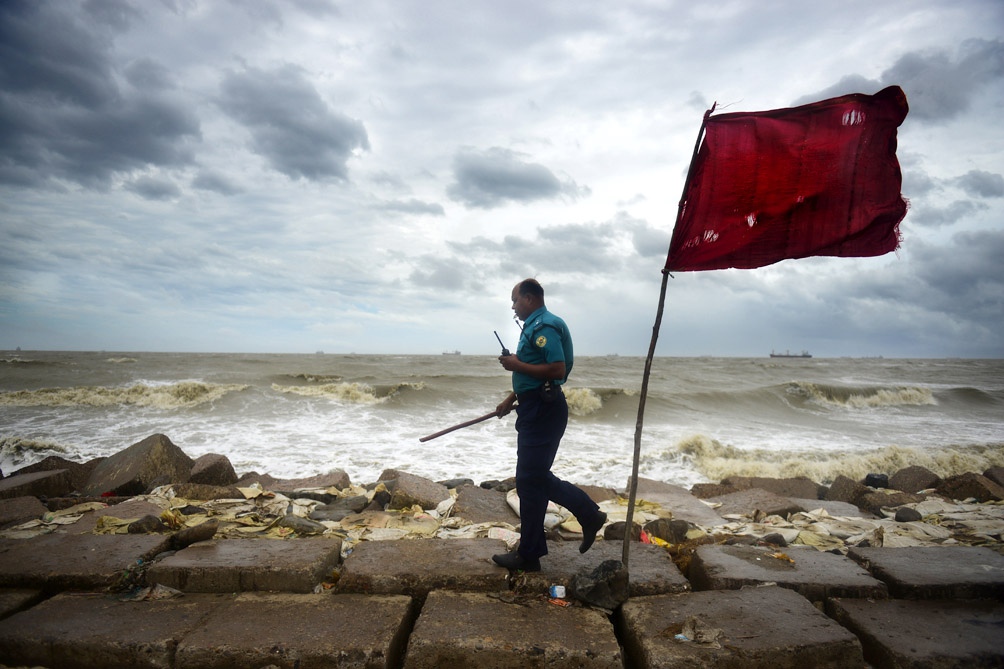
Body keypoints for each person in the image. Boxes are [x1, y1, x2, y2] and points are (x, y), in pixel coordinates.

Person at [492, 278, 607, 572]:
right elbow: (536, 374)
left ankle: (586, 516)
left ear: (530, 298)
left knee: (531, 478)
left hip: (544, 410)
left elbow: (557, 369)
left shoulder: (544, 326)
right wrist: (511, 398)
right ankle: (531, 553)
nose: (514, 306)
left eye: (515, 300)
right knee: (532, 479)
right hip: (534, 406)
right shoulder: (534, 326)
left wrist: (516, 365)